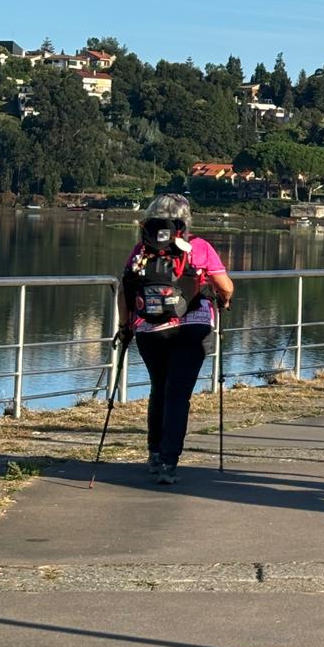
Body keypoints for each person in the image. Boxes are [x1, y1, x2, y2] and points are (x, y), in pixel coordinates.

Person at [116, 194, 234, 485]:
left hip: (149, 330)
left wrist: (124, 325)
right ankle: (169, 462)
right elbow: (226, 286)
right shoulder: (200, 247)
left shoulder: (141, 251)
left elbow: (125, 289)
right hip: (192, 329)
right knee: (178, 394)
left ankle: (154, 454)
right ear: (186, 218)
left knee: (159, 387)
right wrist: (225, 299)